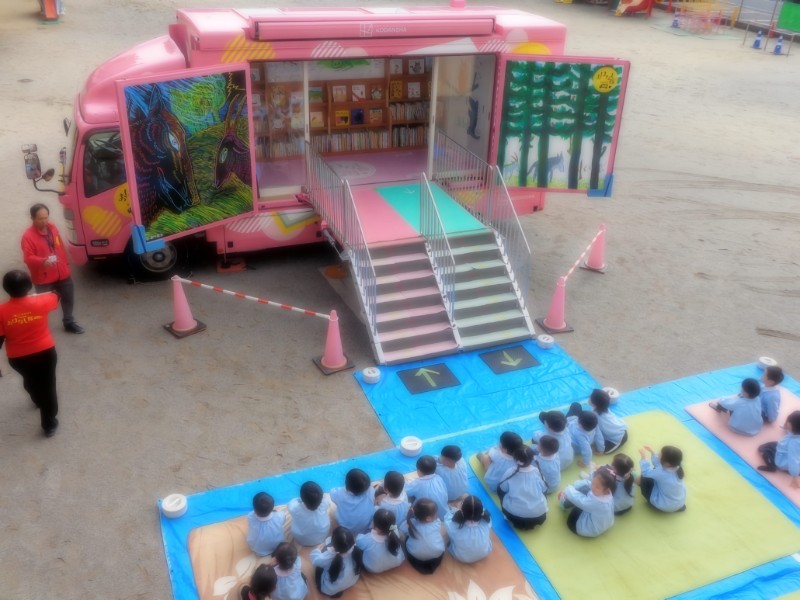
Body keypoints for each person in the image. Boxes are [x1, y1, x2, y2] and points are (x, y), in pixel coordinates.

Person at [0, 269, 60, 437]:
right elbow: (56, 296)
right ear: (29, 286)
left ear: (6, 288)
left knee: (30, 380)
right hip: (45, 353)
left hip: (19, 359)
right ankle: (49, 424)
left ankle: (36, 398)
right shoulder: (42, 301)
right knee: (48, 386)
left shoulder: (1, 311)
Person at [21, 203, 84, 334]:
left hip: (62, 272)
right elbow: (28, 258)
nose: (44, 221)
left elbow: (59, 247)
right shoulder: (28, 236)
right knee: (42, 306)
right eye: (40, 219)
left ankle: (68, 322)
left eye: (46, 217)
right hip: (43, 277)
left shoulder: (53, 228)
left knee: (68, 298)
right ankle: (40, 328)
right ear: (32, 218)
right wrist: (42, 262)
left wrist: (65, 264)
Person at [496, 445, 548, 530]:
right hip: (538, 515)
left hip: (514, 516)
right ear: (532, 459)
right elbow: (544, 488)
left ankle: (518, 522)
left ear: (515, 458)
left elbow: (502, 488)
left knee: (500, 489)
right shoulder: (536, 471)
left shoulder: (510, 472)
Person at [560, 468, 616, 538]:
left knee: (578, 499)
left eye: (597, 487)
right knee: (586, 489)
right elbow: (588, 483)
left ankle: (564, 502)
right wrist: (575, 485)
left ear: (606, 490)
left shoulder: (597, 502)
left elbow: (578, 499)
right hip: (605, 524)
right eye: (593, 482)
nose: (593, 487)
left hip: (586, 529)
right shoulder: (608, 493)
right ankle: (567, 499)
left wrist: (568, 488)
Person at [310, 526, 362, 597]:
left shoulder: (329, 556)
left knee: (319, 568)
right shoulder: (356, 549)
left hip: (329, 589)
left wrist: (317, 550)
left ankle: (332, 591)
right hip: (352, 582)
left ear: (333, 544)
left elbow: (315, 561)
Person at [401, 498, 446, 575]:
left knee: (406, 537)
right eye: (434, 514)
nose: (436, 515)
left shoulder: (410, 523)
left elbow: (401, 529)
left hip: (415, 557)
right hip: (436, 557)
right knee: (441, 536)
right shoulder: (437, 523)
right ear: (428, 518)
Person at [444, 495, 493, 563]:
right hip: (484, 553)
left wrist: (456, 511)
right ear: (481, 511)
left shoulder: (454, 525)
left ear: (462, 511)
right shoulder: (487, 520)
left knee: (450, 537)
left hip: (461, 557)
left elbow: (447, 518)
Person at [758, 410, 800, 489]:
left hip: (782, 461)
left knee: (762, 450)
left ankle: (772, 466)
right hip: (789, 453)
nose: (786, 423)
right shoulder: (796, 433)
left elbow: (793, 459)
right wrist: (785, 427)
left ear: (793, 427)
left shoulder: (793, 443)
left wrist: (795, 476)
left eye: (788, 422)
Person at [637, 445, 686, 513]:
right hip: (679, 502)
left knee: (644, 478)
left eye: (660, 454)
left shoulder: (661, 472)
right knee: (655, 472)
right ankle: (675, 507)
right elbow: (659, 464)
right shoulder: (677, 466)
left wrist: (643, 457)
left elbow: (645, 472)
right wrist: (652, 451)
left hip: (664, 505)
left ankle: (637, 480)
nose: (658, 455)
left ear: (667, 463)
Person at [355, 508, 405, 573]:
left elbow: (358, 540)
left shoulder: (368, 539)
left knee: (357, 549)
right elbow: (394, 528)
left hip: (373, 569)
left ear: (374, 524)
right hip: (397, 562)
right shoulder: (395, 530)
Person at [330, 468, 375, 535]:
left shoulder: (340, 494)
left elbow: (332, 493)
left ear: (346, 484)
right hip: (365, 526)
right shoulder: (370, 490)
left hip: (346, 528)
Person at [288, 481, 330, 547]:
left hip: (301, 539)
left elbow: (292, 502)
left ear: (302, 498)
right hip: (321, 536)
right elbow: (325, 497)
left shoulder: (295, 508)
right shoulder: (324, 503)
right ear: (321, 497)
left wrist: (300, 500)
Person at [587, 389, 629, 453]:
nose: (589, 398)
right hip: (620, 430)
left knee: (598, 449)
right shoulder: (604, 408)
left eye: (590, 397)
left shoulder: (596, 418)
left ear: (594, 403)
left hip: (618, 438)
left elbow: (598, 436)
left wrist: (600, 450)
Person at [247, 492, 287, 557]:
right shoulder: (279, 516)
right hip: (277, 547)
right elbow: (284, 518)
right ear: (272, 508)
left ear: (254, 509)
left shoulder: (250, 516)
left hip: (257, 549)